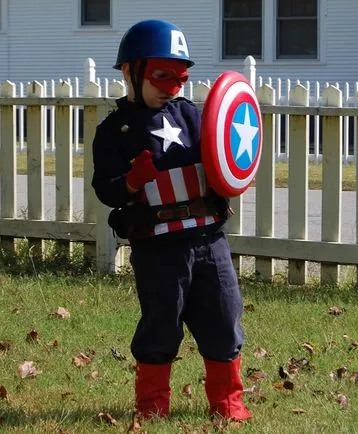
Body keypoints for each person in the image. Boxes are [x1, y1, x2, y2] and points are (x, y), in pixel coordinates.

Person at [91, 19, 251, 421]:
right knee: (161, 323)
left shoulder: (194, 117)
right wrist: (129, 182)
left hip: (209, 240)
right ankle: (152, 407)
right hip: (158, 245)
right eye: (162, 76)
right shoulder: (113, 131)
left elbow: (227, 160)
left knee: (224, 316)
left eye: (180, 78)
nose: (172, 86)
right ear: (131, 71)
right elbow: (106, 190)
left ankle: (228, 404)